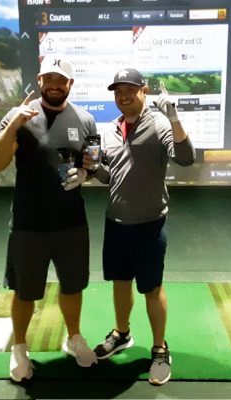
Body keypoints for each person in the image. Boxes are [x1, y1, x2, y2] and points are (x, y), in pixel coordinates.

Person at [0, 53, 98, 382]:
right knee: (24, 292)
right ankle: (19, 348)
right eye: (48, 79)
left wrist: (85, 174)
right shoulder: (17, 116)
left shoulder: (86, 120)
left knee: (73, 286)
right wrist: (14, 127)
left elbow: (93, 161)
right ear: (39, 81)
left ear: (70, 84)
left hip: (72, 223)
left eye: (60, 80)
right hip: (28, 225)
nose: (54, 85)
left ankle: (74, 338)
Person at [83, 68, 196, 386]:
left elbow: (186, 158)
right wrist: (92, 169)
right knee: (120, 282)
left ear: (144, 91)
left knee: (151, 288)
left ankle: (160, 348)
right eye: (118, 91)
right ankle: (122, 334)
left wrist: (174, 118)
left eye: (130, 89)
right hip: (115, 220)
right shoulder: (109, 130)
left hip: (149, 223)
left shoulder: (159, 124)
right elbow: (109, 176)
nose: (124, 96)